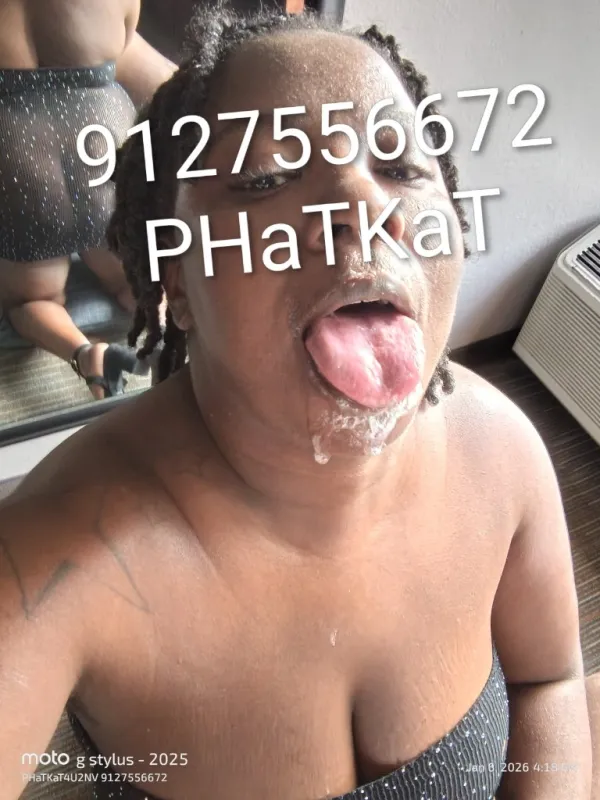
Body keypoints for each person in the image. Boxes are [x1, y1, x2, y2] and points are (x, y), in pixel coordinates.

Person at [0, 4, 597, 799]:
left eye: (399, 165)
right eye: (265, 179)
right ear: (176, 278)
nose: (361, 203)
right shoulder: (52, 557)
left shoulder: (504, 451)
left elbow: (550, 680)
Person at [0, 0, 176, 399]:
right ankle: (163, 327)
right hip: (101, 151)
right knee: (132, 276)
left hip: (18, 162)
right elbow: (136, 60)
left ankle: (87, 354)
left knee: (34, 299)